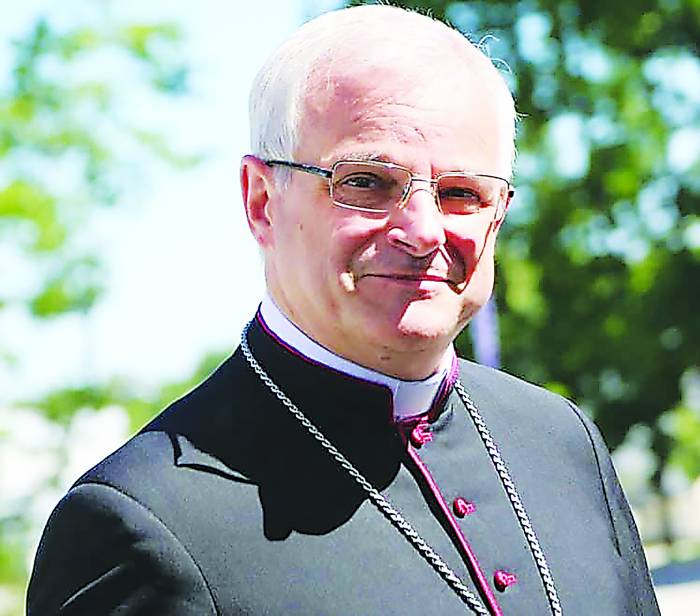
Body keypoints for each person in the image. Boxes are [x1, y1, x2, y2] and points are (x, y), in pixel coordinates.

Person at [27, 5, 660, 615]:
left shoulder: (562, 441)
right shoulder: (139, 525)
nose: (424, 231)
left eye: (461, 193)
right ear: (261, 202)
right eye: (367, 182)